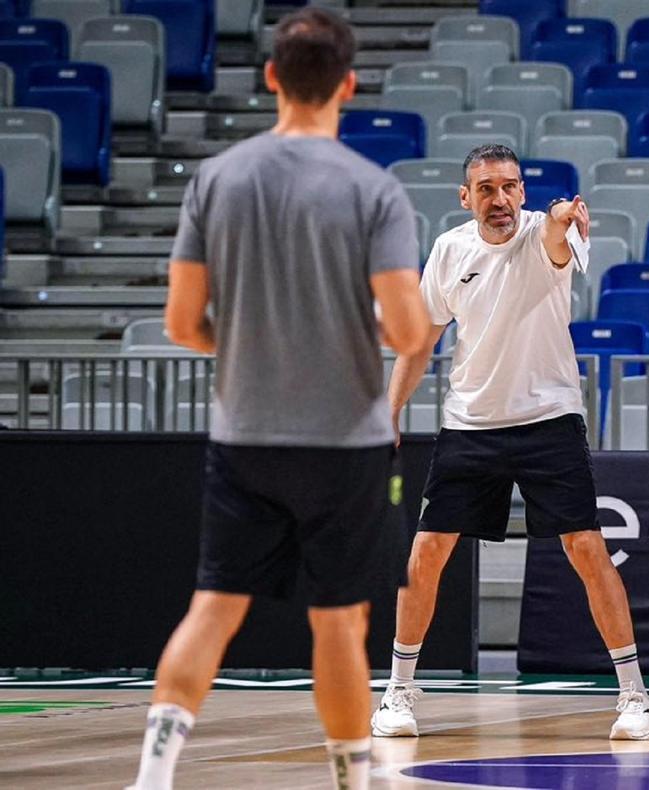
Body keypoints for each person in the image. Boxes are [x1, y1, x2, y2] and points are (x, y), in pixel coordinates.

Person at [127, 9, 429, 789]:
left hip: (246, 436)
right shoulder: (374, 189)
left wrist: (256, 341)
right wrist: (340, 331)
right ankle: (351, 779)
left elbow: (181, 324)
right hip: (347, 444)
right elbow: (407, 329)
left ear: (270, 78)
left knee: (213, 608)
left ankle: (154, 775)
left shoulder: (216, 178)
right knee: (339, 623)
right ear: (349, 85)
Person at [371, 144, 649, 741]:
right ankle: (398, 690)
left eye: (509, 187)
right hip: (470, 424)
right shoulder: (449, 250)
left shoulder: (545, 234)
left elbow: (557, 237)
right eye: (486, 189)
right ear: (466, 197)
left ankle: (636, 698)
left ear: (522, 192)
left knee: (586, 547)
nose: (499, 198)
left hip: (548, 418)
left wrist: (561, 216)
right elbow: (420, 342)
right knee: (426, 552)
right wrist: (388, 411)